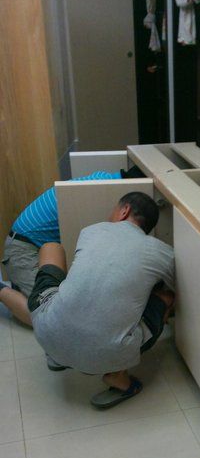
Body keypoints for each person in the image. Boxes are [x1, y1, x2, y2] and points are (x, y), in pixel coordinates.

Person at [26, 191, 174, 408]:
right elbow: (177, 286)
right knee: (166, 297)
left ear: (124, 211)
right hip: (109, 355)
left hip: (48, 334)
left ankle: (57, 356)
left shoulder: (91, 231)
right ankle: (118, 376)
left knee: (51, 248)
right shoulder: (163, 253)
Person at [0, 166, 143, 326]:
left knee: (68, 307)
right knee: (52, 318)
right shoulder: (103, 194)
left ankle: (24, 287)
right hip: (24, 249)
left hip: (37, 246)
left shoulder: (106, 180)